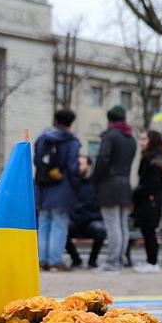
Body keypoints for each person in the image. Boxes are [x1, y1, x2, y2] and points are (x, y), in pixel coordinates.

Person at [34, 108, 81, 271]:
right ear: (71, 123)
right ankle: (55, 260)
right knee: (59, 224)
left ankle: (42, 259)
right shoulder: (71, 142)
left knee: (43, 223)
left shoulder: (42, 138)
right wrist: (76, 186)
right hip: (62, 188)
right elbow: (73, 167)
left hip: (43, 187)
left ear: (56, 120)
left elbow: (36, 160)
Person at [93, 105, 136, 274]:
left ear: (109, 120)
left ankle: (112, 262)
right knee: (122, 225)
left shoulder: (110, 136)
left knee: (112, 225)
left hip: (109, 185)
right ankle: (120, 259)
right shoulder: (130, 139)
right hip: (125, 185)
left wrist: (95, 178)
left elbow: (103, 159)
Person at [132, 130, 162, 273]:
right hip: (150, 201)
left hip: (150, 201)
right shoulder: (153, 159)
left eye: (144, 139)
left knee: (149, 231)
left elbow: (151, 183)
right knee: (148, 231)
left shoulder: (153, 161)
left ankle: (152, 262)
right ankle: (151, 261)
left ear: (151, 141)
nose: (141, 142)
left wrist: (137, 193)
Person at [65, 156, 106, 268]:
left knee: (100, 230)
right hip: (75, 220)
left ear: (89, 166)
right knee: (62, 229)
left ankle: (92, 261)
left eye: (81, 164)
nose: (77, 167)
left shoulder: (97, 184)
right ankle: (75, 259)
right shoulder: (72, 183)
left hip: (91, 220)